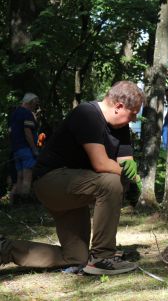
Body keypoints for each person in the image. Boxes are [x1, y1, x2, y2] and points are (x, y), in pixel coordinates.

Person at [0, 81, 144, 275]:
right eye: (133, 113)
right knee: (111, 182)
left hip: (75, 188)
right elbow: (101, 164)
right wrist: (128, 176)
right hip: (51, 181)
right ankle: (102, 257)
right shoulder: (87, 114)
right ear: (119, 106)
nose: (134, 119)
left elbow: (126, 162)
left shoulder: (121, 127)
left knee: (76, 257)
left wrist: (132, 176)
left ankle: (5, 249)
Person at [8, 93, 40, 205]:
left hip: (16, 150)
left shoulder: (14, 114)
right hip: (26, 149)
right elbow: (28, 133)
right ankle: (24, 205)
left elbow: (10, 132)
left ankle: (14, 205)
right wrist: (34, 149)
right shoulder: (27, 114)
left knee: (19, 177)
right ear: (30, 103)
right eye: (35, 104)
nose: (35, 107)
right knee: (27, 177)